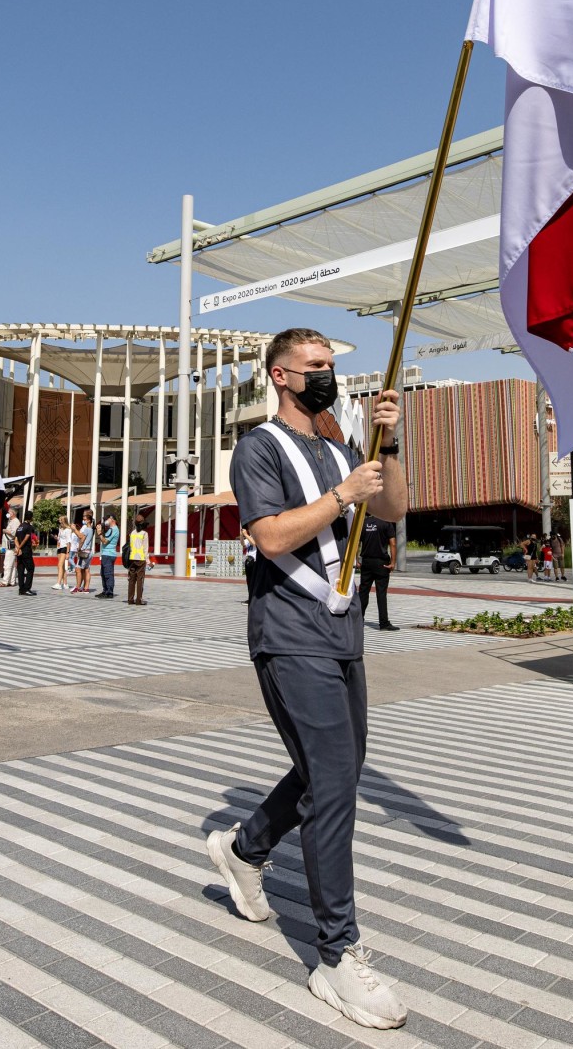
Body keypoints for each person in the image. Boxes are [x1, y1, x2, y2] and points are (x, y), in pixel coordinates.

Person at [202, 327, 409, 1029]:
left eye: (332, 367)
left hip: (342, 635)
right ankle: (337, 953)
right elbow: (269, 536)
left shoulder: (341, 446)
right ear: (283, 376)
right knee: (333, 788)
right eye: (316, 368)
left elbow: (393, 508)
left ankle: (245, 847)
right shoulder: (261, 447)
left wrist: (388, 444)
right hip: (290, 635)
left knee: (338, 772)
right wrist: (343, 492)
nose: (329, 377)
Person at [358, 517, 397, 631]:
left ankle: (359, 620)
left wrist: (356, 560)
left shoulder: (363, 523)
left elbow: (357, 542)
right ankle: (384, 623)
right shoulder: (386, 522)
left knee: (363, 592)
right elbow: (393, 544)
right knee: (381, 593)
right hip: (381, 563)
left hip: (366, 562)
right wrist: (393, 562)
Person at [125, 511, 150, 606]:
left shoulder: (132, 533)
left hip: (132, 559)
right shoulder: (144, 534)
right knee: (140, 579)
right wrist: (148, 561)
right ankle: (139, 600)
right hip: (140, 559)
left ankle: (130, 599)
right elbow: (145, 549)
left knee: (131, 579)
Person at [96, 513, 120, 599]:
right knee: (103, 573)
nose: (105, 521)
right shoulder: (110, 529)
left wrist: (99, 533)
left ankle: (109, 592)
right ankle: (105, 590)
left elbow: (105, 541)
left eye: (107, 519)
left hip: (109, 554)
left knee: (108, 574)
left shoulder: (114, 529)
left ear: (112, 519)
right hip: (105, 554)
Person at [12, 514, 38, 595]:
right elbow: (26, 538)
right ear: (31, 518)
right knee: (30, 568)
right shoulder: (29, 527)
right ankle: (27, 588)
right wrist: (20, 547)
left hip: (19, 552)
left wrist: (18, 548)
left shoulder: (20, 526)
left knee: (21, 569)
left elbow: (15, 539)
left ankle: (21, 589)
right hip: (26, 550)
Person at [75, 511, 95, 594]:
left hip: (84, 552)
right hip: (89, 551)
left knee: (78, 569)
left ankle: (78, 587)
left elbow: (82, 539)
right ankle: (86, 588)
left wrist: (79, 548)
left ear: (89, 520)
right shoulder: (91, 529)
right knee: (87, 569)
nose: (84, 520)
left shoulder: (87, 529)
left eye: (85, 519)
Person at [53, 519, 73, 591]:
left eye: (61, 520)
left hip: (65, 548)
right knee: (61, 567)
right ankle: (65, 583)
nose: (59, 521)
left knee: (60, 565)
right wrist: (56, 538)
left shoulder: (68, 530)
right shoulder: (60, 529)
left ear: (64, 521)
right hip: (59, 547)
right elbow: (60, 538)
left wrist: (68, 553)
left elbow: (68, 542)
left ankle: (58, 583)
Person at [0, 517, 19, 587]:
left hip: (11, 547)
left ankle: (5, 581)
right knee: (12, 565)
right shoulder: (12, 521)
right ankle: (11, 581)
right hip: (9, 547)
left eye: (9, 512)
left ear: (12, 513)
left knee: (7, 564)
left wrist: (5, 531)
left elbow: (14, 532)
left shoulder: (15, 521)